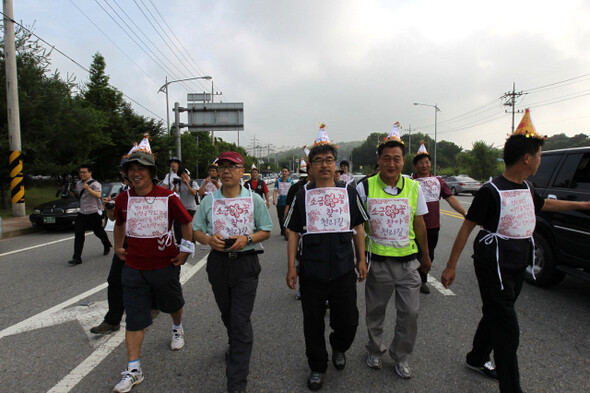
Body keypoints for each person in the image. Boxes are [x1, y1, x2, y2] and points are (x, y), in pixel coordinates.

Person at [441, 109, 590, 393]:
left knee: (496, 313)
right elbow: (466, 227)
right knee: (508, 332)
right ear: (527, 157)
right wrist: (450, 266)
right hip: (493, 264)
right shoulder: (491, 191)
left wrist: (581, 206)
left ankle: (476, 357)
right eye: (540, 155)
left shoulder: (526, 187)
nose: (540, 160)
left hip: (517, 261)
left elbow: (544, 205)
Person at [286, 124, 368, 391]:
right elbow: (293, 230)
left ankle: (339, 346)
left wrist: (361, 259)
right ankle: (317, 366)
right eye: (318, 161)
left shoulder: (348, 192)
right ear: (310, 167)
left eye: (329, 160)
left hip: (344, 269)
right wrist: (291, 267)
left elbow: (358, 227)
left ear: (337, 166)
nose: (324, 165)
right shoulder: (302, 195)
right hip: (312, 272)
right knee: (312, 323)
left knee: (349, 321)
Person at [112, 145, 194, 393]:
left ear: (151, 172)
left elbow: (185, 222)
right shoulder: (123, 198)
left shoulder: (168, 196)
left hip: (165, 265)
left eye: (141, 169)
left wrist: (185, 250)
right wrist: (118, 246)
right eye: (131, 169)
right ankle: (133, 369)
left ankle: (177, 328)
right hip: (134, 268)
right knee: (134, 319)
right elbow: (119, 223)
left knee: (172, 304)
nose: (136, 174)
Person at [356, 123, 431, 379]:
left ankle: (401, 356)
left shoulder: (413, 188)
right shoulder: (364, 188)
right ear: (378, 160)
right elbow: (356, 227)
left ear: (403, 161)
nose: (391, 163)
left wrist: (426, 255)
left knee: (409, 313)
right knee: (375, 312)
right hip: (378, 263)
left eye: (396, 159)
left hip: (408, 263)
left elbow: (420, 223)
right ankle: (375, 349)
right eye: (386, 158)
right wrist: (360, 259)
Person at [193, 151, 272, 393]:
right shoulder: (209, 201)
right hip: (218, 265)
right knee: (228, 314)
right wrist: (208, 240)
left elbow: (266, 230)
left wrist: (247, 237)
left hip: (246, 264)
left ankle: (236, 383)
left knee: (240, 320)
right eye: (222, 166)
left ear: (242, 171)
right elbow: (196, 230)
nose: (226, 171)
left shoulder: (254, 199)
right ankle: (234, 341)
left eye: (232, 166)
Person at [412, 142, 467, 294]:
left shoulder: (439, 182)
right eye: (421, 163)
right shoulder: (410, 183)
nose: (425, 165)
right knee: (416, 255)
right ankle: (415, 281)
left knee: (430, 255)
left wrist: (464, 213)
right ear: (415, 166)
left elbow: (450, 199)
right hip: (414, 226)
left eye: (427, 162)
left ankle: (422, 278)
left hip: (433, 226)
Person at [67, 164, 112, 265]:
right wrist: (71, 193)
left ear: (90, 173)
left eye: (84, 172)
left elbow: (98, 195)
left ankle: (106, 244)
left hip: (94, 212)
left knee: (98, 232)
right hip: (82, 212)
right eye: (81, 172)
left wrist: (88, 189)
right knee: (78, 233)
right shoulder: (78, 184)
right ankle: (77, 257)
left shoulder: (95, 184)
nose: (82, 174)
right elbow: (79, 196)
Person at [173, 167, 199, 243]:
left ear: (187, 173)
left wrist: (187, 184)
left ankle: (191, 241)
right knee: (178, 224)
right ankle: (180, 241)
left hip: (191, 207)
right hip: (182, 207)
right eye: (181, 174)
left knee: (188, 225)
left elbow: (194, 193)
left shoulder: (193, 183)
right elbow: (175, 192)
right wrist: (174, 185)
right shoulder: (179, 183)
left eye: (184, 173)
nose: (183, 176)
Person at [272, 166, 293, 237]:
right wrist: (274, 199)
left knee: (287, 217)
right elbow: (275, 191)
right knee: (280, 217)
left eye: (285, 171)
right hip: (280, 202)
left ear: (288, 173)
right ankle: (282, 229)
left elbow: (293, 192)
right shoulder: (278, 181)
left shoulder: (291, 181)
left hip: (288, 203)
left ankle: (285, 230)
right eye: (283, 171)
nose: (284, 173)